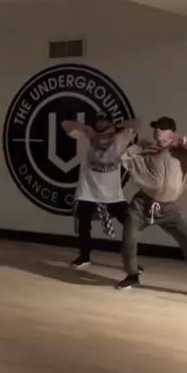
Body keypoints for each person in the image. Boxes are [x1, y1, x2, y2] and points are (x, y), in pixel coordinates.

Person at [115, 117, 187, 301]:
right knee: (129, 242)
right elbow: (123, 158)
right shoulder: (149, 152)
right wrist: (139, 147)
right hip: (141, 206)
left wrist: (184, 141)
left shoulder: (184, 153)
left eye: (163, 137)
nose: (159, 141)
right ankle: (132, 275)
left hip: (168, 210)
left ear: (172, 135)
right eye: (157, 137)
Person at [61, 113, 140, 268]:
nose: (102, 140)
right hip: (87, 192)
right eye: (99, 133)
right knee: (84, 226)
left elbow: (136, 124)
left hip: (114, 195)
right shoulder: (86, 138)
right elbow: (65, 123)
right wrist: (86, 129)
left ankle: (131, 261)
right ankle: (84, 256)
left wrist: (116, 126)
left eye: (106, 134)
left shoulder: (120, 138)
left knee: (130, 224)